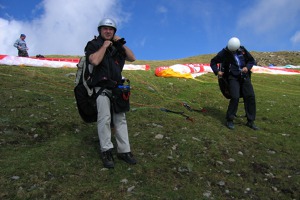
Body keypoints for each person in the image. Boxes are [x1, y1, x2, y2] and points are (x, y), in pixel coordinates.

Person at [84, 18, 137, 168]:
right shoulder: (93, 44)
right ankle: (106, 150)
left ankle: (124, 151)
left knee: (121, 119)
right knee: (105, 118)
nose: (108, 31)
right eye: (105, 29)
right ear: (100, 30)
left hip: (117, 88)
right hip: (100, 87)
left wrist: (121, 43)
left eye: (111, 29)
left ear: (114, 32)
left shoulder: (118, 47)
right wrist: (105, 46)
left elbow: (132, 58)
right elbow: (94, 61)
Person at [210, 37, 259, 130]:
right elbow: (213, 62)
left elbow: (251, 60)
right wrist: (217, 71)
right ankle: (229, 119)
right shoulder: (223, 53)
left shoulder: (242, 50)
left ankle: (250, 121)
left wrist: (247, 67)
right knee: (235, 97)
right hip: (232, 77)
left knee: (250, 96)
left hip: (245, 76)